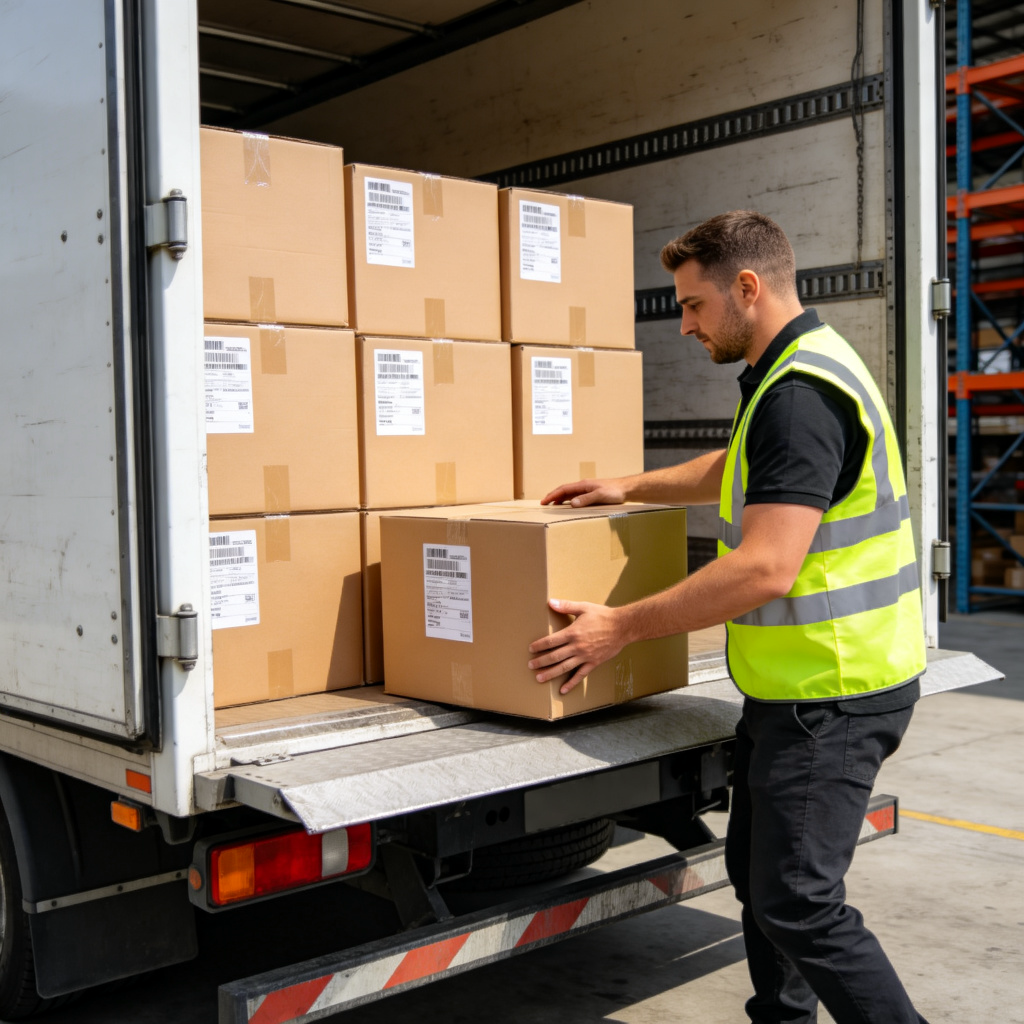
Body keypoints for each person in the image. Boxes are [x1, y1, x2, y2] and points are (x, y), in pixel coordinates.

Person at [527, 210, 929, 1024]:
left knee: (800, 903)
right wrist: (630, 487)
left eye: (693, 304)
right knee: (760, 880)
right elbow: (744, 468)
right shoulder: (804, 366)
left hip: (834, 692)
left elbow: (765, 565)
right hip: (803, 685)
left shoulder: (799, 395)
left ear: (748, 287)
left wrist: (619, 626)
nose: (683, 325)